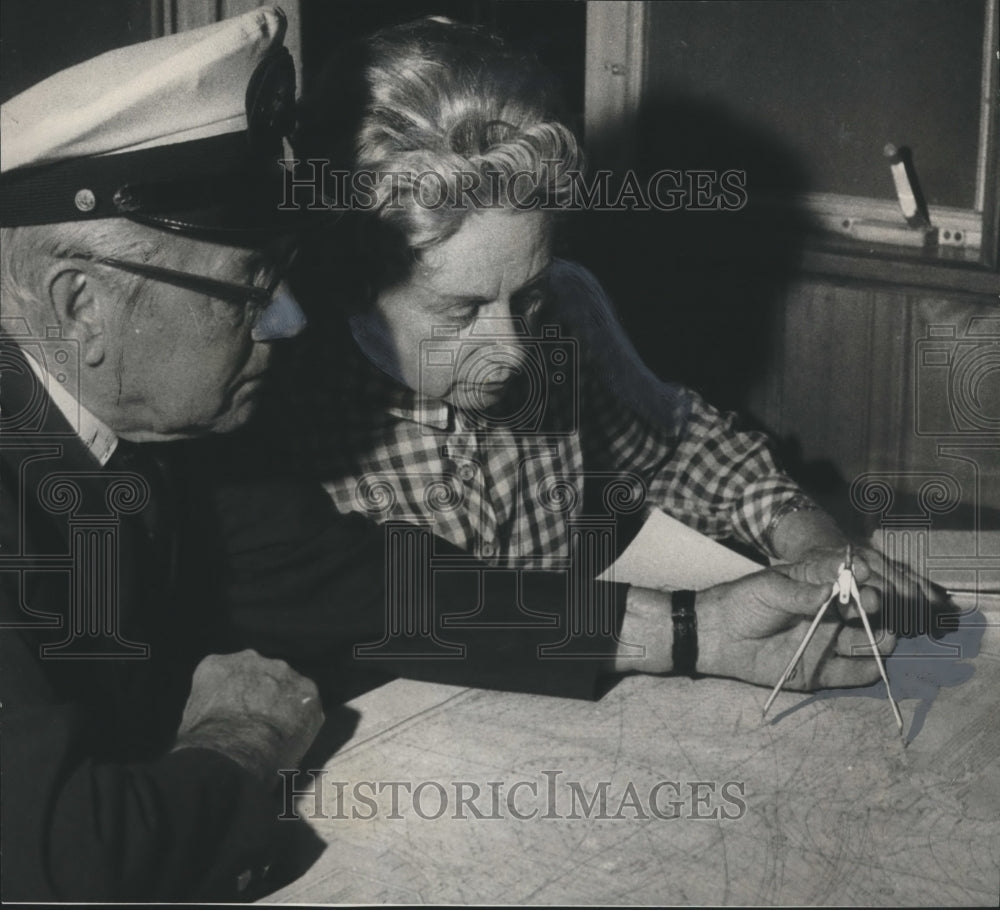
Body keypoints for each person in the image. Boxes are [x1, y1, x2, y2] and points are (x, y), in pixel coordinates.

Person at [253, 16, 947, 691]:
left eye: (526, 295)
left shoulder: (566, 309)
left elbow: (679, 447)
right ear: (351, 280)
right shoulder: (270, 390)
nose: (516, 349)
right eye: (461, 311)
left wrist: (810, 539)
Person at [0, 9, 327, 901]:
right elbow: (67, 866)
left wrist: (687, 627)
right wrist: (244, 741)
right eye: (249, 289)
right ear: (83, 309)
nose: (290, 320)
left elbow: (339, 581)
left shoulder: (147, 419)